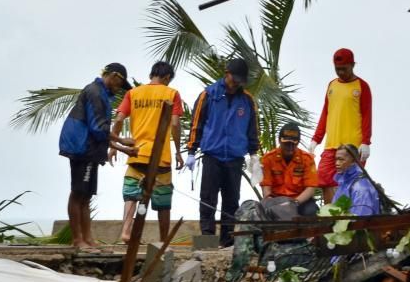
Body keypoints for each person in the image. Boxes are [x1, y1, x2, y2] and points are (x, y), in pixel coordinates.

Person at [58, 63, 137, 251]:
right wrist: (123, 143)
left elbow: (99, 132)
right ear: (114, 77)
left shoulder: (101, 94)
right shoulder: (95, 93)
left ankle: (88, 239)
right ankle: (78, 240)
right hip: (82, 148)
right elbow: (98, 129)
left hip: (90, 149)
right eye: (119, 85)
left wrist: (122, 148)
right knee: (78, 194)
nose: (118, 89)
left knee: (86, 196)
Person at [186, 58, 260, 247]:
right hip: (212, 155)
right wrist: (192, 151)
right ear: (226, 73)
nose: (236, 83)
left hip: (234, 157)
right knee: (208, 199)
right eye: (234, 78)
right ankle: (207, 240)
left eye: (239, 80)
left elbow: (253, 128)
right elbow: (197, 123)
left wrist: (254, 154)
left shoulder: (247, 100)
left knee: (231, 201)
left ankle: (227, 241)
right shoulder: (209, 95)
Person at [109, 61, 184, 244]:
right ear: (167, 78)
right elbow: (174, 124)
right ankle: (163, 240)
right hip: (161, 156)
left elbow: (118, 119)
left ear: (152, 75)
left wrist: (113, 144)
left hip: (137, 153)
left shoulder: (133, 93)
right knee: (163, 200)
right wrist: (178, 152)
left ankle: (126, 232)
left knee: (131, 193)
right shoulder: (172, 93)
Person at [309, 48, 372, 203]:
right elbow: (326, 112)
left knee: (349, 182)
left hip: (353, 147)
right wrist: (316, 139)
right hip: (331, 144)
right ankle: (330, 216)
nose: (341, 72)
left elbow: (367, 116)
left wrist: (365, 142)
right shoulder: (332, 85)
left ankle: (347, 218)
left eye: (344, 69)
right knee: (323, 178)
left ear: (352, 65)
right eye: (337, 69)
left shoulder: (361, 86)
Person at [260, 122, 319, 216]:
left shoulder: (307, 159)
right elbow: (266, 187)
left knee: (311, 212)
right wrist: (270, 201)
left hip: (300, 201)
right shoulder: (268, 159)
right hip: (276, 201)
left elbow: (310, 188)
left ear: (298, 143)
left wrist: (295, 203)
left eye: (293, 144)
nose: (290, 147)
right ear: (279, 141)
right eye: (287, 144)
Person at [332, 144, 381, 216]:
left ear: (353, 161)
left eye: (341, 159)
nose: (337, 163)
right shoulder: (344, 182)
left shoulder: (361, 187)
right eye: (336, 159)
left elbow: (360, 220)